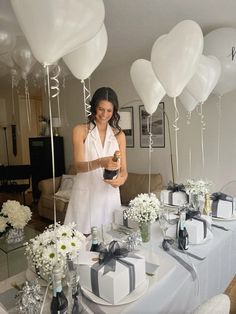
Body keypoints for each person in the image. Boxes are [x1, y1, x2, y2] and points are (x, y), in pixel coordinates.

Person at [64, 87, 128, 234]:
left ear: (114, 111)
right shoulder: (80, 130)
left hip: (109, 196)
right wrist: (100, 162)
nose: (104, 114)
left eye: (109, 111)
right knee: (82, 243)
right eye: (101, 109)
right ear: (94, 108)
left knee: (108, 240)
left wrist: (121, 179)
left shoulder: (119, 135)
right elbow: (78, 166)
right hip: (86, 195)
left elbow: (123, 170)